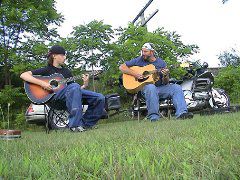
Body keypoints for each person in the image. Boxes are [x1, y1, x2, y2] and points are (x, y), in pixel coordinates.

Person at [20, 45, 105, 132]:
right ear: (54, 56)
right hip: (54, 98)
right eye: (62, 55)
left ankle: (86, 125)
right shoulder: (46, 70)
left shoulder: (66, 72)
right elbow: (23, 75)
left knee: (99, 97)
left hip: (68, 97)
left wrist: (85, 84)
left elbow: (75, 90)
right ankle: (74, 126)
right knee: (74, 87)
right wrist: (42, 83)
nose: (65, 57)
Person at [119, 42, 193, 121]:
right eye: (142, 51)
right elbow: (122, 67)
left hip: (160, 88)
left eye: (145, 51)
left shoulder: (161, 63)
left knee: (176, 87)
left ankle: (182, 113)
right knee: (151, 87)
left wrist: (165, 75)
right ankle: (154, 117)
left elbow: (165, 83)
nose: (143, 53)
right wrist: (136, 74)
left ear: (152, 52)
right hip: (145, 90)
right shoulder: (138, 60)